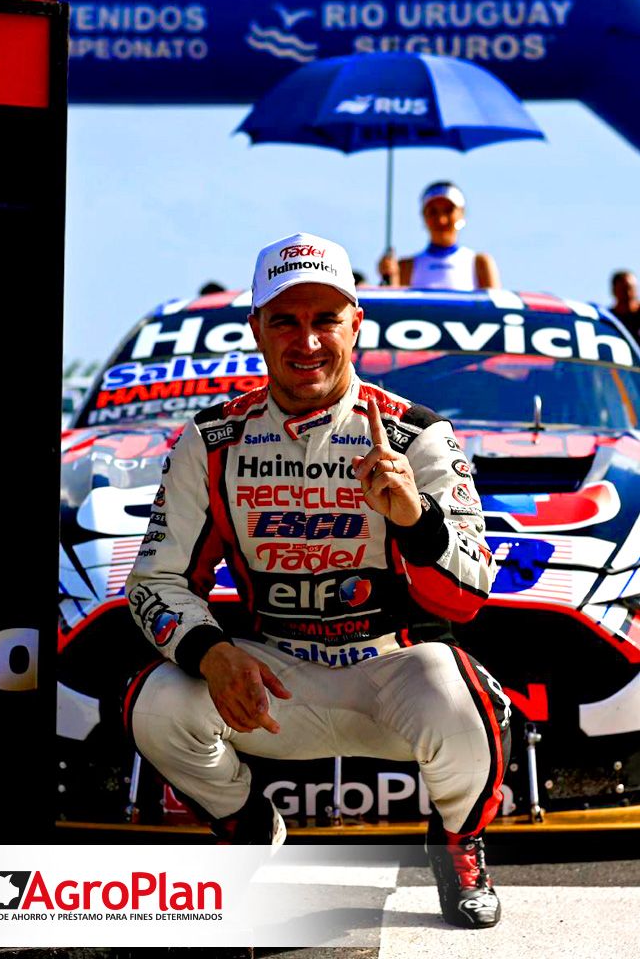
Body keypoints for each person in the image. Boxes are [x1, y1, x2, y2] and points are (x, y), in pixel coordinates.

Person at [124, 233, 510, 930]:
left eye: (325, 319)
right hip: (274, 683)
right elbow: (154, 582)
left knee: (465, 697)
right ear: (256, 329)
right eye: (285, 320)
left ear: (355, 325)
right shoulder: (211, 440)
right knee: (156, 702)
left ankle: (457, 844)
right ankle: (246, 825)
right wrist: (213, 653)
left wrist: (415, 519)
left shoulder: (419, 435)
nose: (306, 342)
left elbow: (469, 596)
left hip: (389, 671)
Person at [378, 182, 500, 289]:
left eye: (448, 211)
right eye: (433, 212)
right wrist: (390, 280)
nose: (441, 220)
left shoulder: (479, 263)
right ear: (424, 216)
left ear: (461, 213)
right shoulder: (405, 267)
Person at [610, 270, 640, 344]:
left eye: (631, 288)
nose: (628, 293)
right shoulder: (609, 319)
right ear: (614, 290)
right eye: (623, 289)